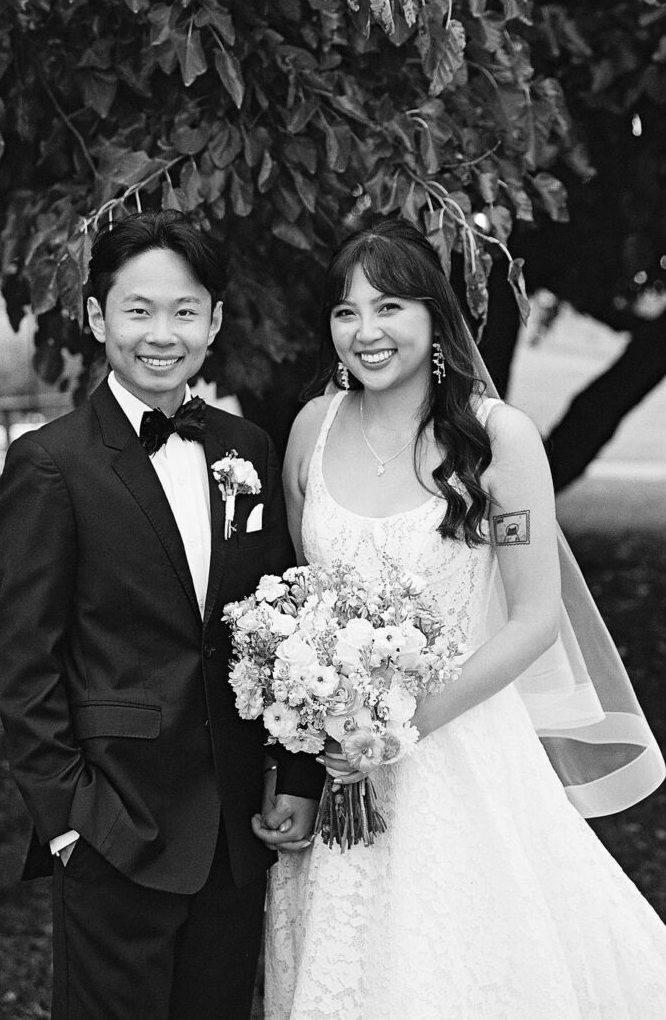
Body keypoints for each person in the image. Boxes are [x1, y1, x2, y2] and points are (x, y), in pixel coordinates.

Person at [264, 219, 666, 1019]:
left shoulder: (496, 438)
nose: (366, 332)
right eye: (346, 313)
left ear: (434, 318)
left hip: (461, 750)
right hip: (338, 761)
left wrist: (402, 725)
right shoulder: (313, 427)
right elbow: (300, 613)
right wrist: (311, 763)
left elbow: (533, 619)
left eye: (389, 307)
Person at [0, 210, 321, 1020]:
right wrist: (68, 820)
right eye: (138, 310)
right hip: (114, 823)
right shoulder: (50, 464)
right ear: (99, 318)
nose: (161, 334)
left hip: (237, 832)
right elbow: (24, 661)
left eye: (183, 311)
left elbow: (285, 627)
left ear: (213, 320)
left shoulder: (249, 448)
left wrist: (295, 774)